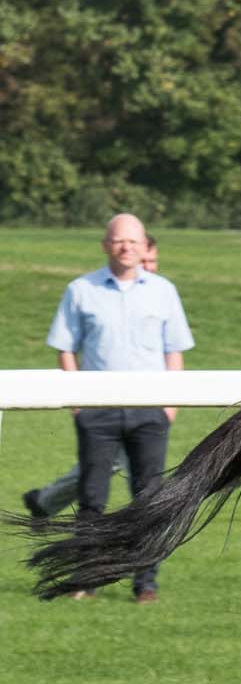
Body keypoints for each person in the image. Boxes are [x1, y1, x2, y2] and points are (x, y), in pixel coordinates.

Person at [45, 215, 193, 602]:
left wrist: (169, 405)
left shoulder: (163, 291)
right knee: (93, 498)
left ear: (146, 247)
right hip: (98, 411)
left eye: (133, 241)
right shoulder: (81, 290)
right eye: (118, 240)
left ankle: (145, 584)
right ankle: (87, 579)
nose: (126, 246)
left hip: (149, 412)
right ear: (105, 245)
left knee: (150, 498)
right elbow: (65, 347)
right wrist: (79, 402)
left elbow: (173, 350)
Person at [25, 239, 162, 521]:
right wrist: (79, 399)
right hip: (106, 404)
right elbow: (70, 345)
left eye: (153, 263)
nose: (149, 268)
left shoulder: (158, 297)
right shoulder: (95, 293)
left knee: (107, 465)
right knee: (115, 470)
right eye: (145, 262)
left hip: (145, 406)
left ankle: (44, 503)